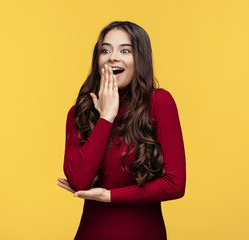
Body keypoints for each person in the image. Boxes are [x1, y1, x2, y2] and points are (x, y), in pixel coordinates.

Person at [57, 21, 186, 240]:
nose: (112, 57)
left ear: (140, 60)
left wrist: (109, 196)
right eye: (105, 50)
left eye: (125, 50)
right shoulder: (79, 113)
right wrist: (106, 117)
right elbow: (79, 181)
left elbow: (174, 185)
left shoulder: (159, 102)